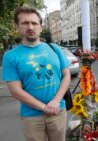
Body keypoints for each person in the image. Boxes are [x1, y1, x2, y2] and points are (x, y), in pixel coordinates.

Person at [1, 7, 71, 141]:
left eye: (34, 23)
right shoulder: (10, 56)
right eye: (25, 23)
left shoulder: (54, 49)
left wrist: (55, 101)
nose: (30, 27)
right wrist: (45, 107)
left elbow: (66, 75)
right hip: (31, 116)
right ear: (17, 27)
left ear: (41, 26)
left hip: (58, 111)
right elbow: (15, 91)